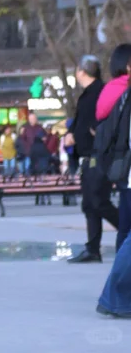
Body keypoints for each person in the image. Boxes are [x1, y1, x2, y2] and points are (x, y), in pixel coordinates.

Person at [72, 44, 131, 263]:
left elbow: (105, 121)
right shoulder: (92, 94)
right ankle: (93, 247)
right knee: (90, 203)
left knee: (98, 201)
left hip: (104, 155)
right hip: (94, 154)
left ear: (82, 71)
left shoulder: (106, 91)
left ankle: (123, 237)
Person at [67, 56, 104, 176]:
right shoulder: (86, 94)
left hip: (95, 155)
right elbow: (79, 118)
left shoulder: (100, 91)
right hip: (86, 155)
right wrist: (71, 132)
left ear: (82, 72)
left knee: (95, 193)